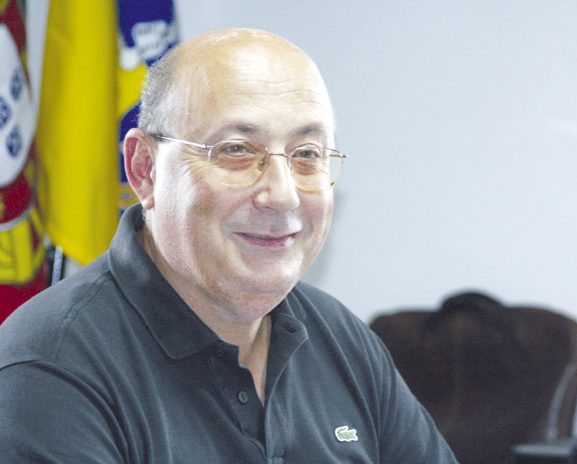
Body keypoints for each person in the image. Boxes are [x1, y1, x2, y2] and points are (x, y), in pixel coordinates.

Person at [0, 29, 457, 463]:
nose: (283, 195)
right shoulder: (49, 371)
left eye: (307, 155)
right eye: (237, 150)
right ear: (145, 169)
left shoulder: (343, 342)